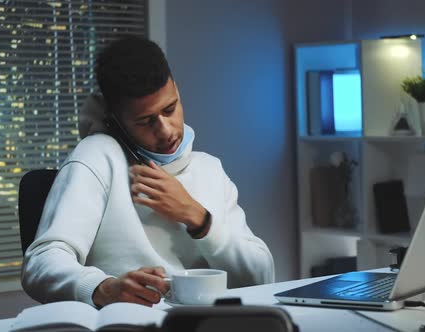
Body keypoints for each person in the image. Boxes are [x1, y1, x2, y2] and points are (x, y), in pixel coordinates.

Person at [21, 36, 274, 308]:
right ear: (115, 119)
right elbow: (41, 262)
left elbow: (262, 277)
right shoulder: (97, 156)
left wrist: (198, 218)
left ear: (176, 89)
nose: (166, 130)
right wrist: (102, 288)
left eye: (170, 108)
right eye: (145, 121)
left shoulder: (209, 168)